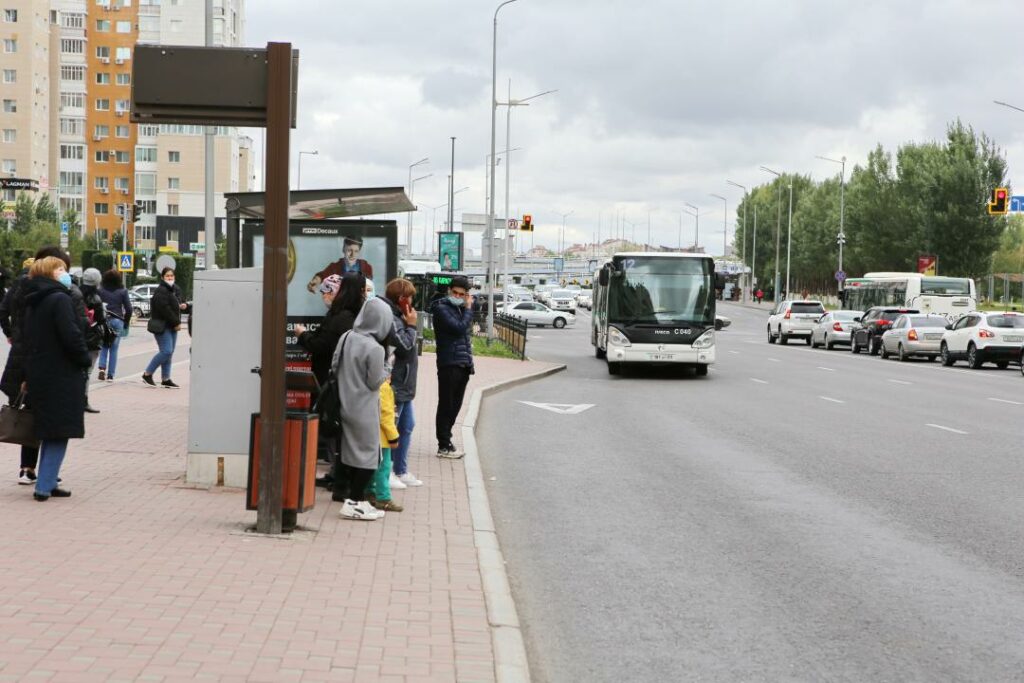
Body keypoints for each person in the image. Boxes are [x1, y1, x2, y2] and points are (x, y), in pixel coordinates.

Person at [22, 256, 92, 501]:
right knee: (59, 431)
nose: (65, 273)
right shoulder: (60, 299)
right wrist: (84, 358)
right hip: (61, 373)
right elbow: (71, 335)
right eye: (60, 268)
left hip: (41, 371)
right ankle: (44, 486)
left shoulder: (34, 299)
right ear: (50, 273)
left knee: (50, 429)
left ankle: (49, 481)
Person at [334, 297, 394, 521]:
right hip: (365, 408)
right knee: (371, 457)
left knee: (350, 454)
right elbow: (374, 382)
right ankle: (354, 501)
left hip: (344, 402)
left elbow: (334, 365)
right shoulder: (375, 348)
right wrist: (388, 365)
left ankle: (356, 500)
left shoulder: (347, 337)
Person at [1, 256, 38, 484]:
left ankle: (26, 468)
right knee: (34, 413)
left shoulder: (15, 288)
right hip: (34, 353)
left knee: (25, 410)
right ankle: (30, 467)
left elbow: (2, 311)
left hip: (17, 351)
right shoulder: (39, 291)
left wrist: (10, 333)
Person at [430, 274, 474, 459]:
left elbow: (464, 336)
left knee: (456, 405)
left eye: (461, 294)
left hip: (462, 363)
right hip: (449, 363)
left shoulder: (460, 309)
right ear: (449, 291)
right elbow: (458, 328)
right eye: (455, 292)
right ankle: (443, 445)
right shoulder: (442, 308)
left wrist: (469, 363)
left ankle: (447, 440)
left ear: (466, 295)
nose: (457, 296)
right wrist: (469, 309)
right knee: (446, 405)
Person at [383, 278, 421, 488]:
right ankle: (387, 472)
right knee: (393, 428)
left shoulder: (400, 317)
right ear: (401, 299)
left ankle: (401, 469)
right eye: (410, 297)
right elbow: (405, 347)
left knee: (407, 426)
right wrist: (412, 325)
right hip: (396, 382)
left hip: (405, 383)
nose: (412, 302)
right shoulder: (392, 319)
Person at [142, 267, 186, 388]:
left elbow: (177, 303)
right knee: (166, 351)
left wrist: (184, 305)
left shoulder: (174, 289)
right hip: (163, 326)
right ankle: (147, 374)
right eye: (167, 276)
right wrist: (176, 322)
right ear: (162, 277)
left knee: (169, 353)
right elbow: (165, 309)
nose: (170, 278)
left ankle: (166, 379)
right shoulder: (161, 291)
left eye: (171, 276)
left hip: (172, 326)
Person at [365, 372, 403, 512]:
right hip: (382, 438)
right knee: (384, 467)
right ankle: (383, 498)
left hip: (370, 434)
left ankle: (369, 492)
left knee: (371, 466)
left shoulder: (369, 384)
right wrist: (393, 436)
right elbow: (386, 415)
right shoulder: (384, 387)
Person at [79, 268, 106, 413]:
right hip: (91, 338)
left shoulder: (74, 294)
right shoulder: (96, 299)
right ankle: (83, 400)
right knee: (87, 372)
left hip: (77, 337)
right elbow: (101, 319)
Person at [97, 269, 132, 382]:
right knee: (114, 349)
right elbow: (129, 309)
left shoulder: (100, 290)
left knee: (104, 345)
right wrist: (126, 322)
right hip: (118, 320)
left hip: (104, 320)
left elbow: (97, 306)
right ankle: (110, 375)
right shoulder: (123, 291)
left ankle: (102, 368)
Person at [307, 236, 373, 292]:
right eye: (349, 250)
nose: (352, 255)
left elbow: (368, 287)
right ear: (343, 249)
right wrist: (315, 281)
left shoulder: (366, 267)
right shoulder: (334, 267)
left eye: (356, 251)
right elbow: (322, 275)